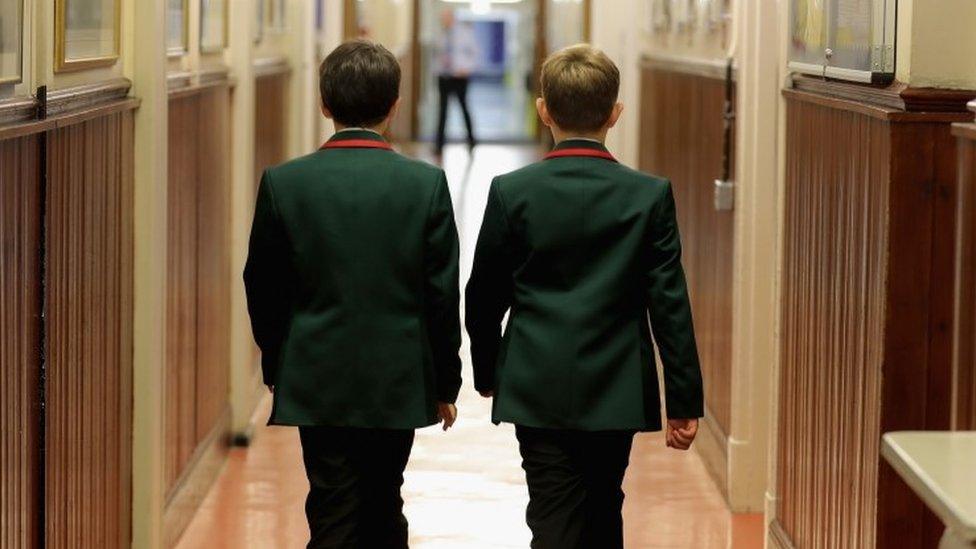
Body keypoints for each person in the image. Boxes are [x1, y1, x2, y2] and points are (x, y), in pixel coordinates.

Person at [464, 44, 704, 549]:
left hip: (536, 382)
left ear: (543, 110)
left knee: (553, 512)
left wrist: (489, 372)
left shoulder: (513, 191)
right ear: (615, 114)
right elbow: (669, 304)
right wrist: (683, 400)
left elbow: (484, 295)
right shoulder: (648, 195)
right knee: (602, 509)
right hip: (615, 384)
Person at [243, 40, 462, 549]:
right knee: (385, 496)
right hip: (398, 375)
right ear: (394, 105)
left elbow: (264, 286)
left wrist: (279, 364)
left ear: (324, 104)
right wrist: (445, 382)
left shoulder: (285, 183)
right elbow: (440, 294)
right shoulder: (425, 185)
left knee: (332, 502)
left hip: (318, 373)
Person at [434, 9, 478, 156]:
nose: (443, 21)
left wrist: (466, 69)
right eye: (442, 18)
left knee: (464, 108)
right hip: (443, 76)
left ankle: (471, 141)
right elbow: (436, 55)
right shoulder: (440, 34)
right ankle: (439, 145)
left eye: (446, 18)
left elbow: (475, 53)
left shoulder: (465, 32)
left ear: (452, 18)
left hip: (460, 76)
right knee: (442, 111)